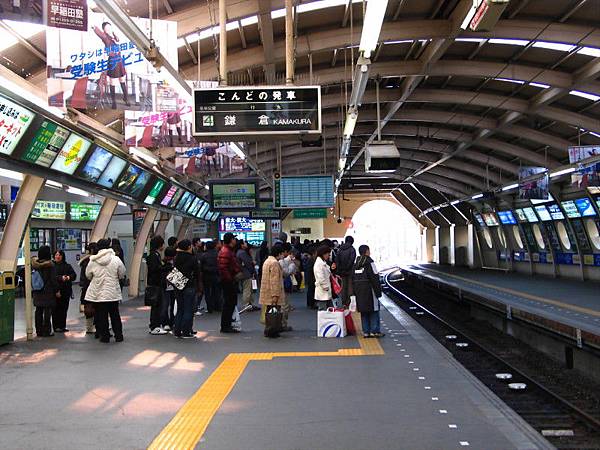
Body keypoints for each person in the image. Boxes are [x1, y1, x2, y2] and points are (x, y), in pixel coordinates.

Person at [85, 238, 126, 343]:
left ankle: (105, 337)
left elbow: (88, 275)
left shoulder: (93, 260)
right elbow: (122, 273)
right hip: (112, 292)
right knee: (115, 314)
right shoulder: (116, 259)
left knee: (102, 315)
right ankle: (119, 336)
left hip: (99, 293)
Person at [92, 22, 130, 109]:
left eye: (110, 27)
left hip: (120, 61)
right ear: (104, 30)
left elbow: (120, 45)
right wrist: (94, 27)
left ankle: (126, 98)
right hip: (113, 61)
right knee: (113, 82)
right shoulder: (105, 37)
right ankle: (114, 102)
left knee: (122, 80)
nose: (109, 29)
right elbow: (100, 34)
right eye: (106, 28)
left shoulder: (114, 37)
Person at [352, 245, 385, 338]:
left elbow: (352, 278)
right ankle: (375, 331)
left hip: (359, 291)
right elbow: (375, 278)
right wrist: (378, 292)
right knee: (374, 310)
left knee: (363, 310)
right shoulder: (370, 263)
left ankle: (366, 331)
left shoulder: (355, 264)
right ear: (367, 251)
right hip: (370, 290)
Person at [173, 239, 199, 338]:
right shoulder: (192, 258)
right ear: (188, 247)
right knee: (189, 308)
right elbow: (196, 272)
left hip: (178, 285)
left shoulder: (176, 258)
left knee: (180, 308)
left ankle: (178, 330)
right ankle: (187, 331)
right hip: (189, 285)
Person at [32, 245, 59, 337]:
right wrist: (57, 290)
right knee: (47, 311)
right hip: (47, 291)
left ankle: (38, 331)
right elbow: (53, 279)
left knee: (38, 311)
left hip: (37, 290)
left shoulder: (34, 265)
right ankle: (46, 331)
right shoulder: (50, 265)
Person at [259, 244, 285, 338]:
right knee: (274, 313)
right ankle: (272, 331)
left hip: (266, 291)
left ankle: (268, 329)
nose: (283, 256)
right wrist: (275, 295)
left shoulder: (267, 261)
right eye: (282, 253)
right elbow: (274, 280)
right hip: (272, 292)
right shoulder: (274, 263)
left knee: (269, 313)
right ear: (279, 253)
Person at [217, 232, 242, 333]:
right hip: (228, 281)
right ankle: (225, 326)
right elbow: (223, 268)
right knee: (228, 303)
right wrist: (230, 279)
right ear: (231, 240)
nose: (235, 240)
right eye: (234, 239)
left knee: (230, 303)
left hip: (228, 280)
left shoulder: (227, 250)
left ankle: (227, 324)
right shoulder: (226, 251)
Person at [147, 235, 168, 335]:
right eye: (162, 243)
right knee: (156, 305)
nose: (163, 245)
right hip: (155, 283)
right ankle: (155, 326)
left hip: (155, 283)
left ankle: (155, 325)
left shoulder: (155, 254)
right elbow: (155, 269)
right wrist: (165, 268)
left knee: (157, 305)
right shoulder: (153, 255)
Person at [52, 250, 76, 333]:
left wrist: (68, 277)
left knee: (64, 309)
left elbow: (74, 275)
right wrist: (60, 278)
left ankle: (62, 326)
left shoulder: (67, 266)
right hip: (56, 291)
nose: (57, 256)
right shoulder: (52, 266)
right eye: (56, 255)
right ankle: (56, 327)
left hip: (66, 291)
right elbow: (52, 278)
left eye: (59, 255)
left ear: (62, 256)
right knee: (56, 310)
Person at [79, 242, 98, 335]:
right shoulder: (92, 261)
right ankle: (93, 326)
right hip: (92, 287)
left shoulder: (84, 261)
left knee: (89, 309)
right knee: (94, 308)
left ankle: (89, 327)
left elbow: (83, 278)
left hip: (86, 289)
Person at [335, 236, 357, 307]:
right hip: (349, 271)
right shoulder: (352, 249)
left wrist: (340, 269)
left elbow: (337, 260)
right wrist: (347, 268)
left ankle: (344, 302)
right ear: (352, 241)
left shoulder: (340, 249)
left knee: (343, 286)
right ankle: (349, 302)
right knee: (350, 286)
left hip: (341, 271)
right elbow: (351, 260)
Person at [236, 240, 258, 311]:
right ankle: (247, 305)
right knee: (247, 290)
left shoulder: (240, 252)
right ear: (242, 245)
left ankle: (250, 304)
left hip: (246, 273)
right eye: (245, 243)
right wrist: (252, 264)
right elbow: (248, 263)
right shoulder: (242, 253)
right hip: (246, 273)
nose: (246, 244)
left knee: (249, 289)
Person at [200, 240, 221, 313]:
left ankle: (210, 308)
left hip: (206, 276)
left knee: (207, 292)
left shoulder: (204, 255)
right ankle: (218, 306)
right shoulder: (217, 254)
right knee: (216, 291)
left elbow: (201, 267)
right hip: (216, 275)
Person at [313, 245, 333, 310]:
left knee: (327, 308)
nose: (328, 255)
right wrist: (325, 287)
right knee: (323, 309)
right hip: (323, 289)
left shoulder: (322, 262)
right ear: (323, 254)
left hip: (324, 289)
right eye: (328, 254)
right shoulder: (319, 264)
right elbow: (321, 277)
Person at [162, 246, 177, 329]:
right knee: (165, 305)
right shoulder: (162, 263)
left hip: (173, 287)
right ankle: (165, 323)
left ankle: (172, 322)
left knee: (173, 305)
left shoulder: (175, 262)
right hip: (166, 287)